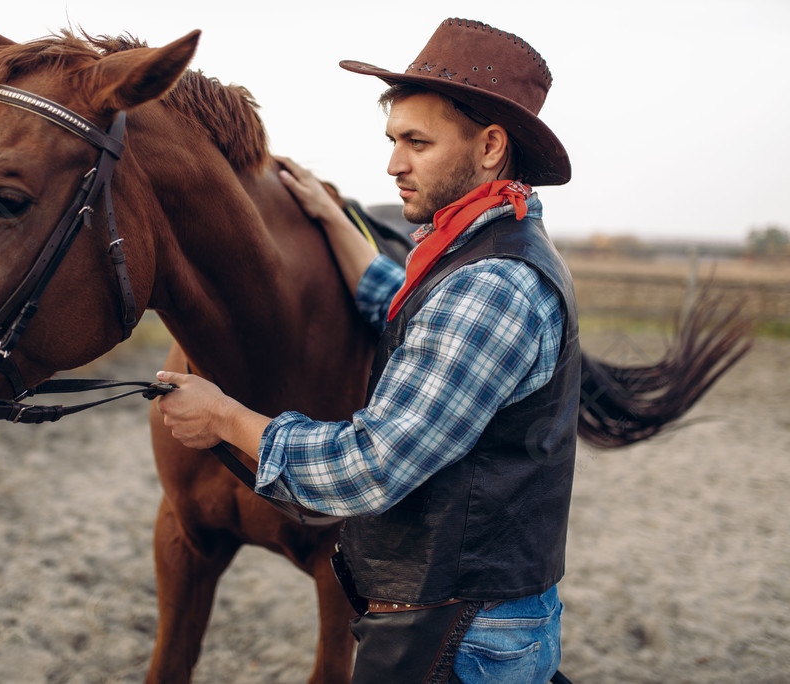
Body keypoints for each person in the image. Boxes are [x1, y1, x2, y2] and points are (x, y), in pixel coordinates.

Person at [156, 17, 578, 684]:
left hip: (462, 635)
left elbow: (369, 469)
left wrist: (224, 420)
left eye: (417, 142)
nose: (393, 164)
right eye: (392, 140)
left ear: (491, 146)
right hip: (463, 618)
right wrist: (334, 220)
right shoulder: (475, 252)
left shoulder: (491, 285)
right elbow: (399, 304)